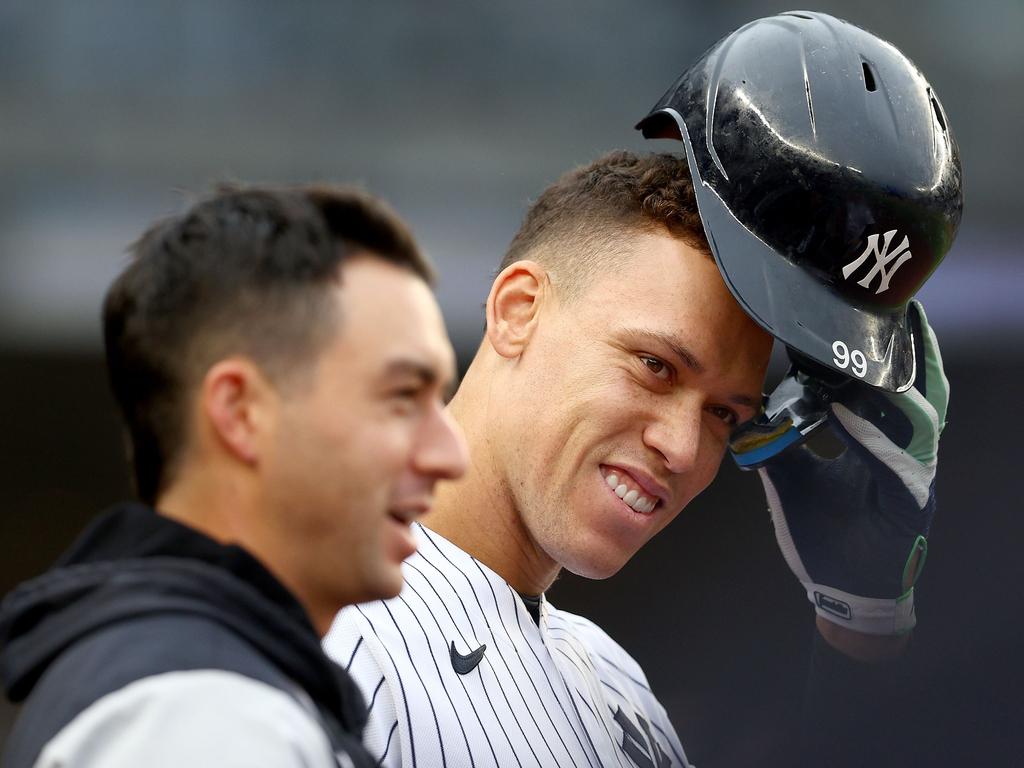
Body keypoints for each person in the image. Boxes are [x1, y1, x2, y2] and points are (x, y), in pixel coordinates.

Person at [325, 12, 960, 767]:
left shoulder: (617, 693)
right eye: (655, 366)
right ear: (517, 311)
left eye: (727, 414)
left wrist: (862, 632)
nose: (684, 448)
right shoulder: (317, 630)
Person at [0, 185, 468, 768]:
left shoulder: (184, 690)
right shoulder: (201, 716)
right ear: (242, 413)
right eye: (402, 396)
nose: (452, 455)